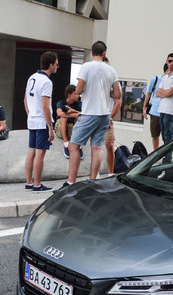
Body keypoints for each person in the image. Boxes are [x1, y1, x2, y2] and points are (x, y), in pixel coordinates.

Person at [61, 40, 121, 189]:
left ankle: (70, 182)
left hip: (89, 113)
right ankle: (93, 180)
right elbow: (118, 94)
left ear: (93, 52)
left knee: (73, 146)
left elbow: (79, 90)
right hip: (105, 115)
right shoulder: (111, 70)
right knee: (96, 148)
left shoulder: (86, 67)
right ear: (104, 53)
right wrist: (106, 91)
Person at [24, 51, 59, 192]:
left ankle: (29, 182)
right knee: (40, 154)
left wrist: (30, 114)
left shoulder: (32, 77)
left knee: (31, 152)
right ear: (50, 65)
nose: (58, 66)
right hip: (42, 122)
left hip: (32, 120)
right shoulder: (46, 82)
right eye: (56, 64)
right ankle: (37, 184)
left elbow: (25, 100)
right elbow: (45, 106)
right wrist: (50, 127)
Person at [156, 53, 173, 145]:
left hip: (170, 111)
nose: (171, 63)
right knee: (164, 136)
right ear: (166, 62)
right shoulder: (165, 76)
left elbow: (170, 92)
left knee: (168, 138)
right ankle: (166, 158)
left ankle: (168, 159)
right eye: (170, 61)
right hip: (162, 109)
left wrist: (164, 92)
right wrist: (165, 93)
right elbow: (157, 93)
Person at [103, 56, 122, 176]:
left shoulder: (114, 83)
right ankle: (94, 175)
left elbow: (118, 102)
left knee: (109, 144)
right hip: (94, 117)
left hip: (106, 118)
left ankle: (110, 173)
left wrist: (110, 117)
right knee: (94, 146)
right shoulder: (95, 82)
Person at [142, 63, 167, 150]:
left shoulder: (171, 82)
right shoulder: (156, 79)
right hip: (155, 112)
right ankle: (155, 154)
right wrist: (144, 108)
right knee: (155, 136)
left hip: (166, 112)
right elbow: (148, 93)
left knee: (166, 137)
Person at [56, 84, 83, 160]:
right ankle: (66, 144)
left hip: (72, 129)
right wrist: (70, 114)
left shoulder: (79, 103)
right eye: (75, 94)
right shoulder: (61, 103)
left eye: (78, 94)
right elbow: (59, 113)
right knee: (63, 117)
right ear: (69, 94)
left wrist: (73, 111)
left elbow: (84, 114)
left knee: (80, 117)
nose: (78, 96)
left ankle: (78, 144)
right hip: (60, 128)